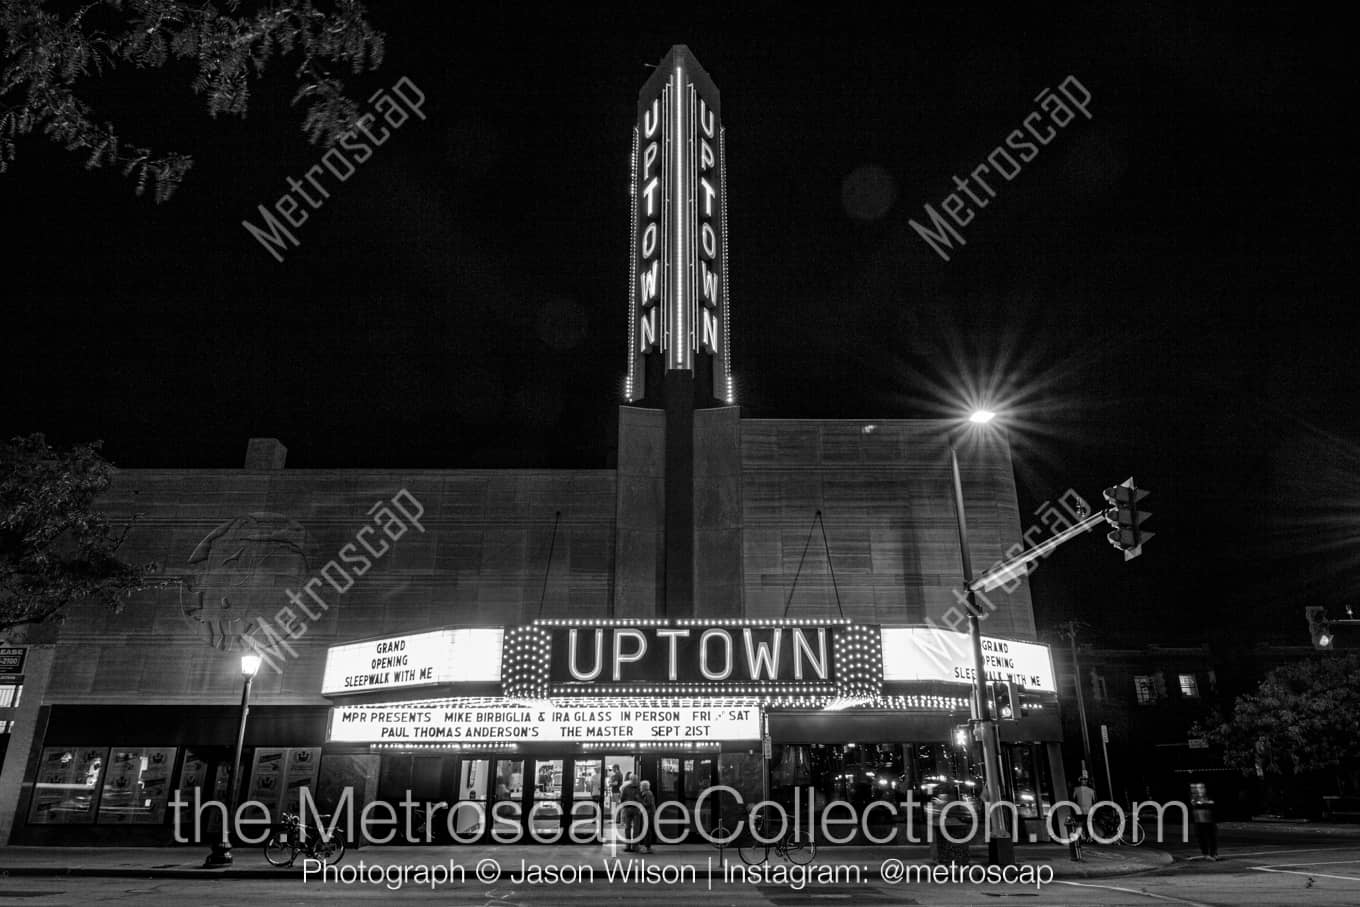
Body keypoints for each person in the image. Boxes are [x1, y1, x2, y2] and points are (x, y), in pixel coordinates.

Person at [1190, 783, 1218, 860]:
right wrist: (1206, 803)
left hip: (1209, 820)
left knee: (1212, 837)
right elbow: (1196, 804)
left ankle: (1214, 853)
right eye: (1199, 788)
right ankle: (1206, 854)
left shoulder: (1208, 796)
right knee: (1202, 838)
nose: (1201, 789)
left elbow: (1212, 803)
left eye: (1202, 787)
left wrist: (1205, 803)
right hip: (1199, 822)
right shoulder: (1194, 797)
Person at [619, 772, 641, 852]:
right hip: (631, 809)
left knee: (634, 829)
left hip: (634, 810)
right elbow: (622, 799)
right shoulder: (638, 788)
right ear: (631, 780)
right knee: (629, 828)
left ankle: (632, 846)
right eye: (634, 779)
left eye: (636, 780)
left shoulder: (629, 788)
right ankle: (630, 846)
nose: (636, 781)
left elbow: (622, 799)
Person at [638, 780, 657, 854]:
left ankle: (647, 847)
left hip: (648, 814)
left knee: (647, 831)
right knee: (647, 830)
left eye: (641, 786)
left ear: (644, 787)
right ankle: (647, 846)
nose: (640, 787)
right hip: (649, 814)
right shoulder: (648, 793)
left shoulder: (647, 794)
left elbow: (647, 804)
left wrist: (639, 800)